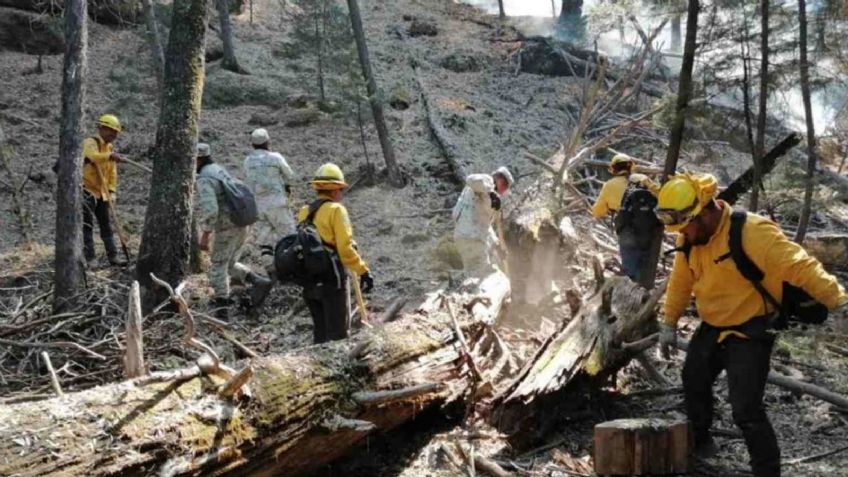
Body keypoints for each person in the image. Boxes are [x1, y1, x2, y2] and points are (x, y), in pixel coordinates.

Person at [656, 172, 848, 477]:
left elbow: (800, 266)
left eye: (686, 227)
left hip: (752, 328)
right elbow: (680, 282)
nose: (684, 235)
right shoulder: (690, 236)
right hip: (712, 323)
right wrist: (668, 322)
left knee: (745, 408)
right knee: (693, 381)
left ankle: (766, 471)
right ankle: (700, 445)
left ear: (705, 212)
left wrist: (839, 300)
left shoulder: (752, 232)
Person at [195, 143, 272, 321]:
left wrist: (205, 234)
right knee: (229, 263)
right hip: (241, 222)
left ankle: (222, 310)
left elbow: (211, 210)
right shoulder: (218, 170)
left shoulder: (205, 178)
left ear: (197, 159)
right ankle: (257, 281)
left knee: (217, 266)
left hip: (227, 225)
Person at [298, 163, 372, 344]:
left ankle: (318, 367)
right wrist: (363, 271)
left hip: (309, 280)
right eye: (341, 189)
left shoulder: (304, 212)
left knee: (320, 333)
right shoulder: (337, 210)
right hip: (332, 279)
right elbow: (345, 249)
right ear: (336, 190)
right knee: (338, 334)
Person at [591, 154, 659, 283]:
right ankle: (646, 292)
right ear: (630, 166)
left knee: (630, 266)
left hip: (626, 228)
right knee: (647, 262)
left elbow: (598, 211)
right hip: (648, 227)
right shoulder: (642, 179)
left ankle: (632, 294)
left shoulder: (609, 185)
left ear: (614, 169)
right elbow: (660, 195)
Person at [243, 128, 296, 276]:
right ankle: (292, 268)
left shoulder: (247, 161)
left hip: (258, 206)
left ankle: (271, 271)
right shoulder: (276, 158)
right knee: (289, 235)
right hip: (278, 204)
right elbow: (291, 176)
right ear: (268, 142)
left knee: (264, 239)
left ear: (253, 145)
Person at [81, 114, 127, 266]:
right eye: (111, 131)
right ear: (101, 128)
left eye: (115, 132)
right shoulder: (90, 142)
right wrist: (109, 156)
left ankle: (113, 256)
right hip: (86, 189)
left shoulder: (110, 148)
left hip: (103, 192)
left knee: (106, 224)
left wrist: (112, 190)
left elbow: (112, 172)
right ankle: (90, 259)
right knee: (87, 226)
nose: (113, 135)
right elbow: (92, 156)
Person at [452, 166, 514, 275]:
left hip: (468, 237)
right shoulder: (486, 181)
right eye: (504, 186)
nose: (502, 191)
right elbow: (470, 179)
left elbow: (486, 226)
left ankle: (467, 290)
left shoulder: (487, 198)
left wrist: (496, 245)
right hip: (471, 237)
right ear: (499, 179)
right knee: (482, 272)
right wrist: (491, 192)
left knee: (474, 272)